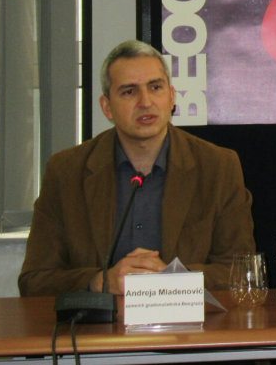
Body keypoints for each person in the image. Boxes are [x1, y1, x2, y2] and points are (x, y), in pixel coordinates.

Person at [19, 40, 255, 296]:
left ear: (171, 96)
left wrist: (174, 280)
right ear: (107, 107)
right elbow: (35, 280)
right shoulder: (66, 172)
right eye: (129, 92)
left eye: (155, 87)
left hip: (186, 320)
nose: (145, 102)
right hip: (99, 321)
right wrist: (100, 281)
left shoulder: (218, 167)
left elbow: (241, 272)